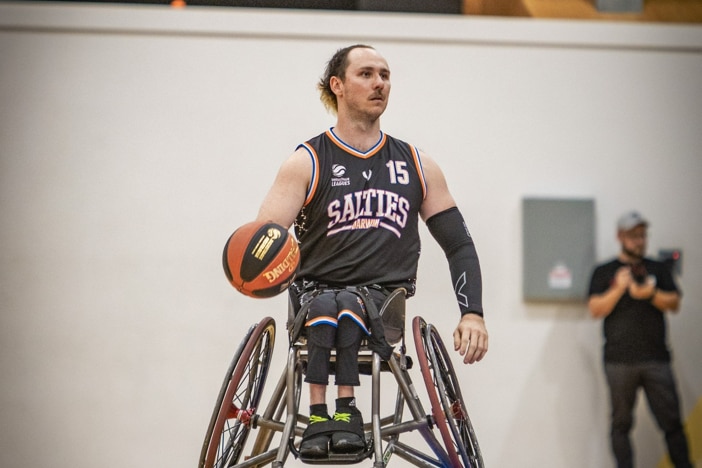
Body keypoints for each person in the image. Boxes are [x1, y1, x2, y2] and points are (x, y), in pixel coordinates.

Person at [254, 44, 488, 458]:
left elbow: (459, 244)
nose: (379, 82)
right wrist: (251, 267)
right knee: (330, 301)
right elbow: (264, 241)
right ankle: (323, 413)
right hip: (314, 295)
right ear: (338, 85)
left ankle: (344, 412)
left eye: (385, 74)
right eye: (366, 74)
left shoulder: (417, 164)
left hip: (384, 302)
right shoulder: (306, 161)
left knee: (348, 302)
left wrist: (472, 312)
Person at [588, 211, 692, 468]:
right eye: (634, 236)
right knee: (621, 425)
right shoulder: (604, 271)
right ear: (620, 237)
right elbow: (595, 309)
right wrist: (619, 288)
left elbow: (674, 302)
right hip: (619, 361)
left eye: (643, 235)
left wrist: (649, 293)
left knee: (672, 423)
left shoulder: (657, 268)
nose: (640, 240)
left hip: (657, 359)